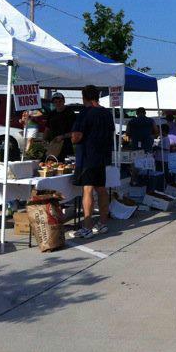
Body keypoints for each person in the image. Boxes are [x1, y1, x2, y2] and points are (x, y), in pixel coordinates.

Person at [70, 85, 115, 238]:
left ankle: (87, 227)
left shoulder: (85, 112)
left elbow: (76, 136)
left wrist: (73, 139)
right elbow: (112, 132)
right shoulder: (106, 113)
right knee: (101, 190)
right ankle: (103, 223)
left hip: (88, 156)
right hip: (102, 156)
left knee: (87, 190)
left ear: (84, 97)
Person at [44, 92, 76, 159]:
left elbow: (75, 132)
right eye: (55, 102)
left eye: (60, 101)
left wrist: (62, 136)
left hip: (66, 146)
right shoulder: (51, 114)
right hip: (53, 145)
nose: (58, 103)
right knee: (50, 165)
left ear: (64, 101)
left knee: (65, 167)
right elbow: (47, 128)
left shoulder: (70, 113)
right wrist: (44, 140)